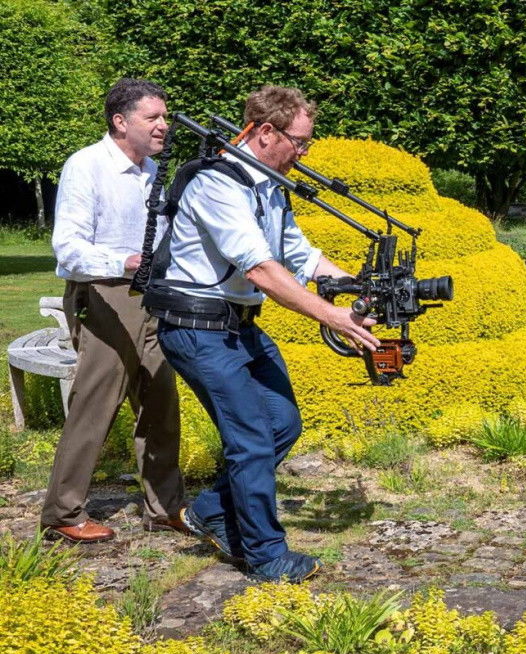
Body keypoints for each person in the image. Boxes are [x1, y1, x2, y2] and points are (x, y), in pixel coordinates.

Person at [150, 85, 378, 582]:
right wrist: (332, 316)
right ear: (266, 132)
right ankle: (265, 556)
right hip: (198, 328)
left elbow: (301, 255)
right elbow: (261, 270)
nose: (304, 152)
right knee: (251, 439)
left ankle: (210, 510)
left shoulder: (269, 186)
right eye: (300, 141)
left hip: (238, 327)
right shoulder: (219, 184)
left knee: (281, 423)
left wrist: (357, 288)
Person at [42, 78, 186, 543]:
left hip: (153, 295)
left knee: (162, 398)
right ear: (120, 122)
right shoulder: (86, 166)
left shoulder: (152, 172)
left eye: (164, 117)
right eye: (154, 118)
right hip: (104, 292)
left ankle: (164, 507)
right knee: (97, 401)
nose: (164, 125)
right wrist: (123, 259)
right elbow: (67, 249)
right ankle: (63, 513)